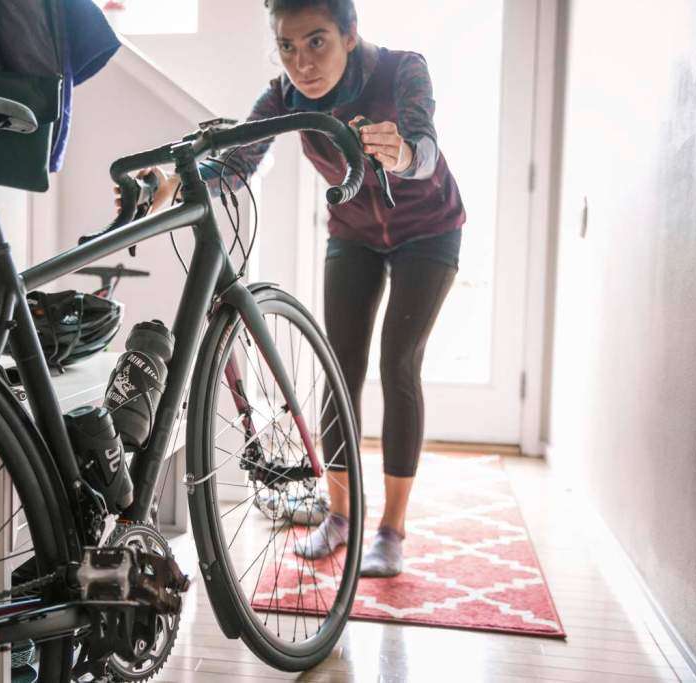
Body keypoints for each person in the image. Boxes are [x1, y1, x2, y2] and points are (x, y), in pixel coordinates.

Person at [123, 0, 465, 577]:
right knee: (341, 367)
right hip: (354, 233)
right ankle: (341, 517)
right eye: (287, 46)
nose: (302, 63)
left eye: (316, 42)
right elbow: (236, 161)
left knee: (398, 365)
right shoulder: (283, 96)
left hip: (429, 231)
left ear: (350, 34)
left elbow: (426, 152)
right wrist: (175, 180)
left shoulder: (402, 69)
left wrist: (402, 152)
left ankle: (392, 530)